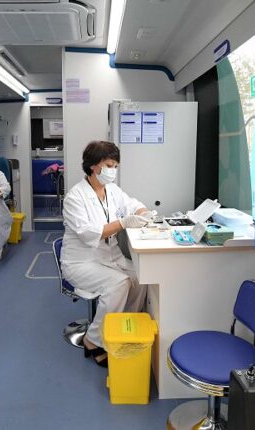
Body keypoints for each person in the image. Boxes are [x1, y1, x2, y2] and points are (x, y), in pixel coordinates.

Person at [61, 141, 151, 367]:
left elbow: (132, 204)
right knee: (119, 284)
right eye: (109, 165)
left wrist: (143, 213)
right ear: (93, 166)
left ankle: (122, 329)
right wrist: (123, 223)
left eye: (115, 166)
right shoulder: (75, 197)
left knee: (141, 277)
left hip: (109, 257)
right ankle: (93, 340)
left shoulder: (112, 190)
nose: (113, 171)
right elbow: (89, 234)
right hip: (81, 262)